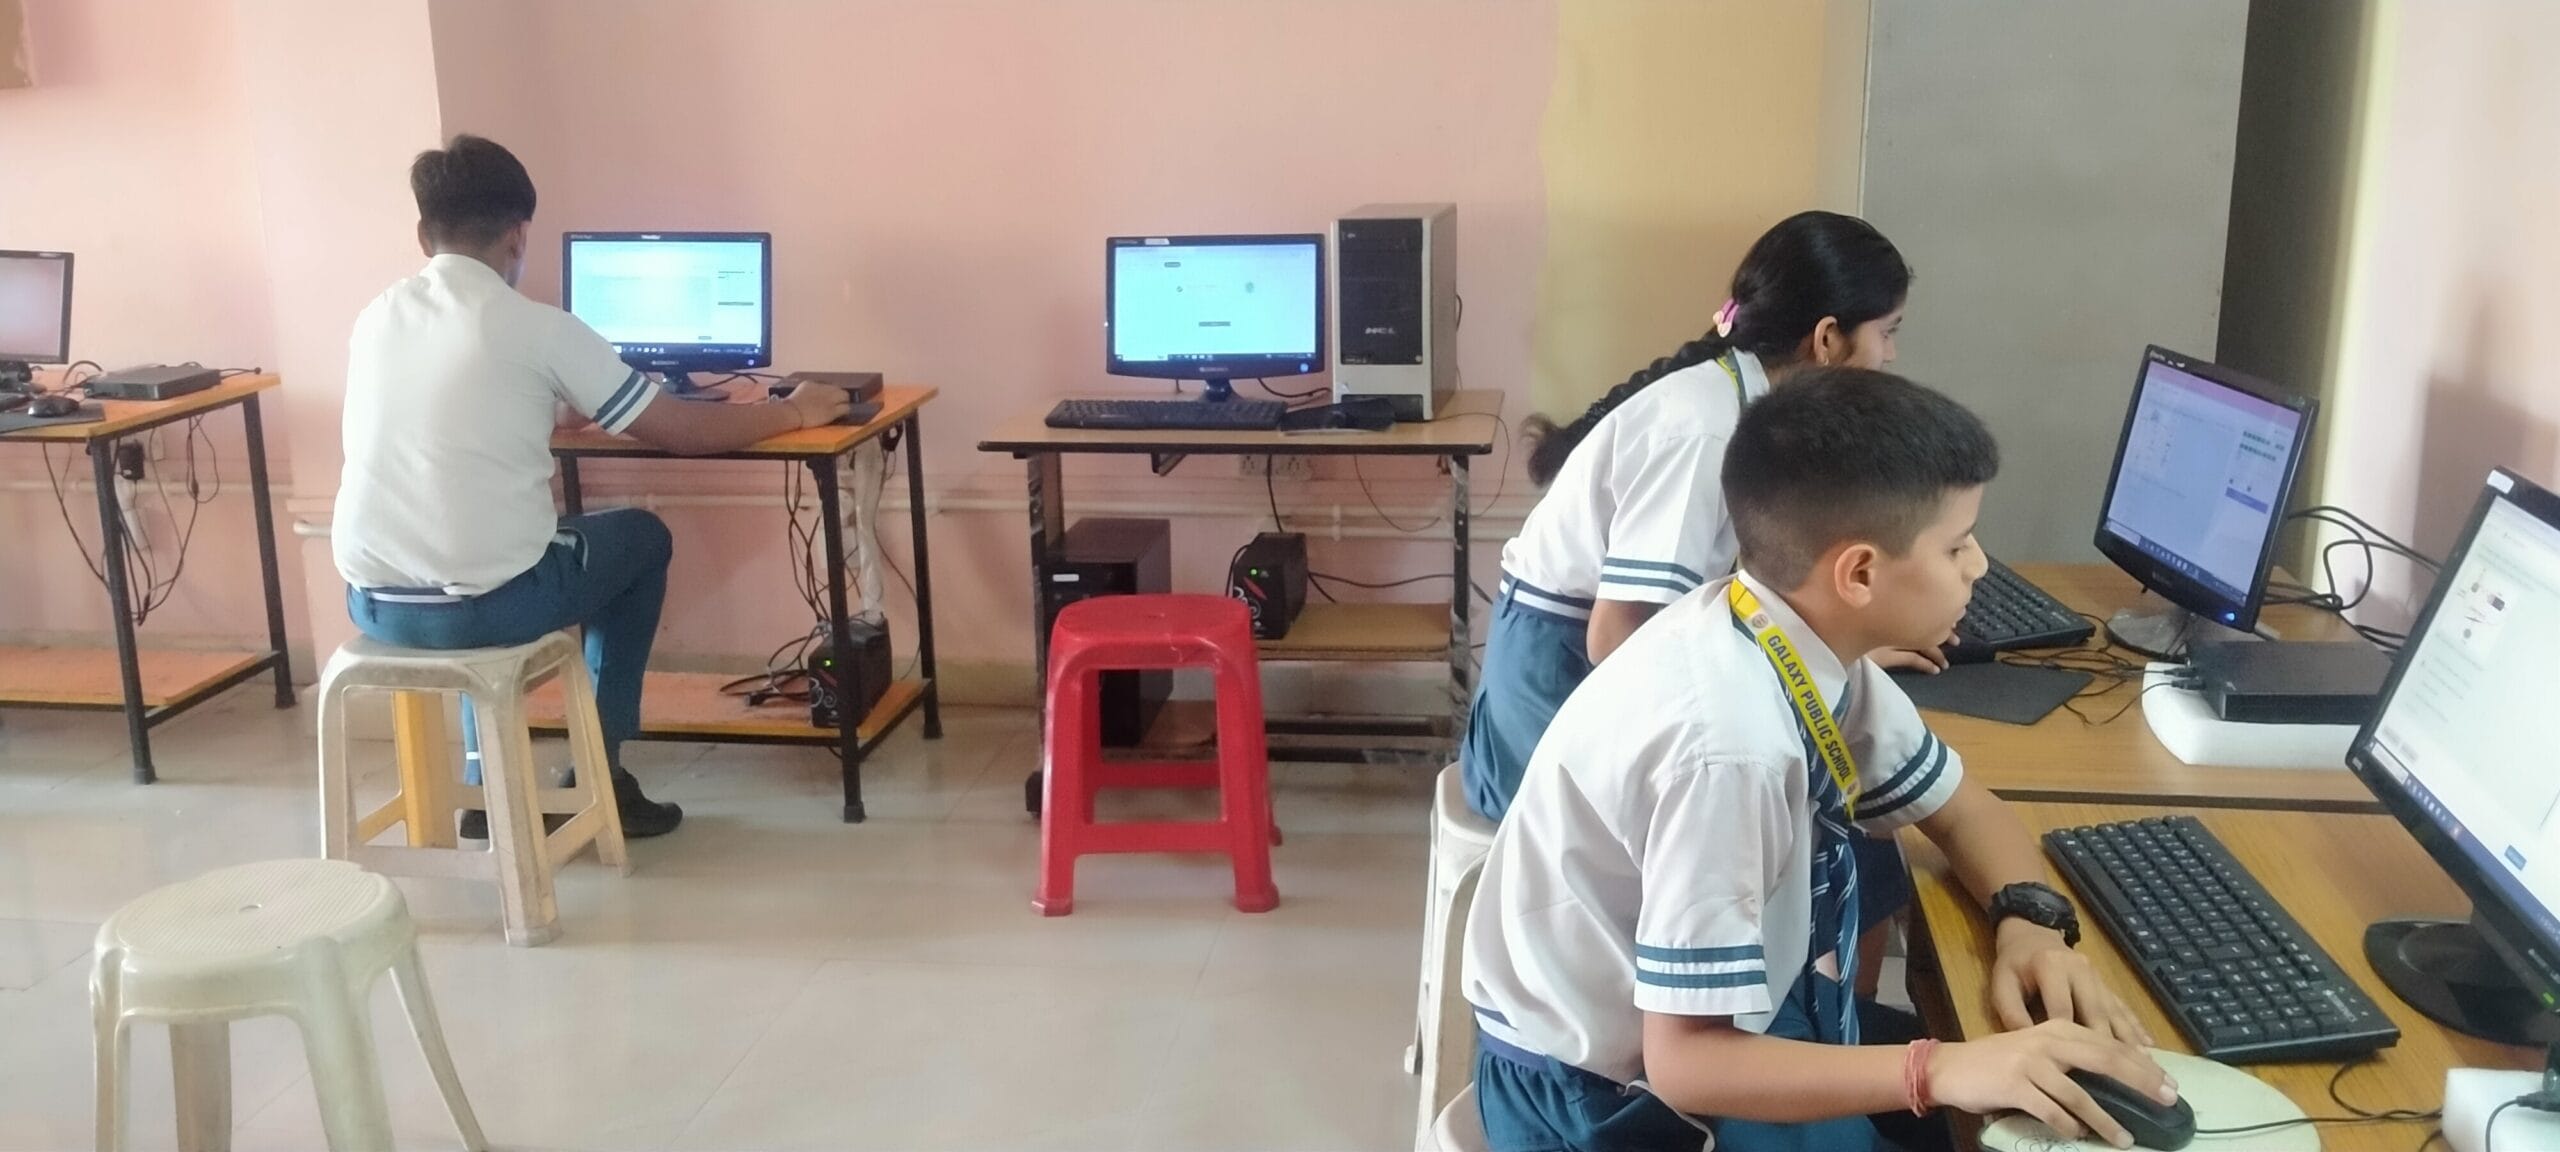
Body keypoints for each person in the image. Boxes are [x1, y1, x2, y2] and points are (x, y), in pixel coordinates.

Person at [1461, 370, 2173, 1152]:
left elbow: (1964, 810)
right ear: (1859, 573)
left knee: (1988, 1095)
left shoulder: (1784, 634)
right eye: (1957, 545)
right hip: (1605, 1101)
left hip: (1724, 1027)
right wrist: (1938, 1070)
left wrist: (2029, 925)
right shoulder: (1729, 748)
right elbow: (1687, 1064)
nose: (1978, 567)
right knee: (1974, 1099)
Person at [333, 135, 852, 839]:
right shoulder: (538, 328)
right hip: (488, 608)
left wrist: (556, 406)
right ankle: (602, 771)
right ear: (518, 236)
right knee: (641, 537)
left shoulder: (375, 317)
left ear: (424, 235)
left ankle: (485, 789)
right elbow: (681, 431)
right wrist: (796, 411)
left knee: (469, 549)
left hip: (373, 604)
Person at [1464, 210, 1927, 826]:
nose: (1890, 355)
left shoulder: (1742, 404)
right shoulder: (1705, 430)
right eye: (1886, 333)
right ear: (1826, 339)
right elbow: (1618, 637)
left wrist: (1838, 655)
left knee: (1796, 786)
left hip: (1583, 676)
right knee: (1779, 809)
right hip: (1554, 697)